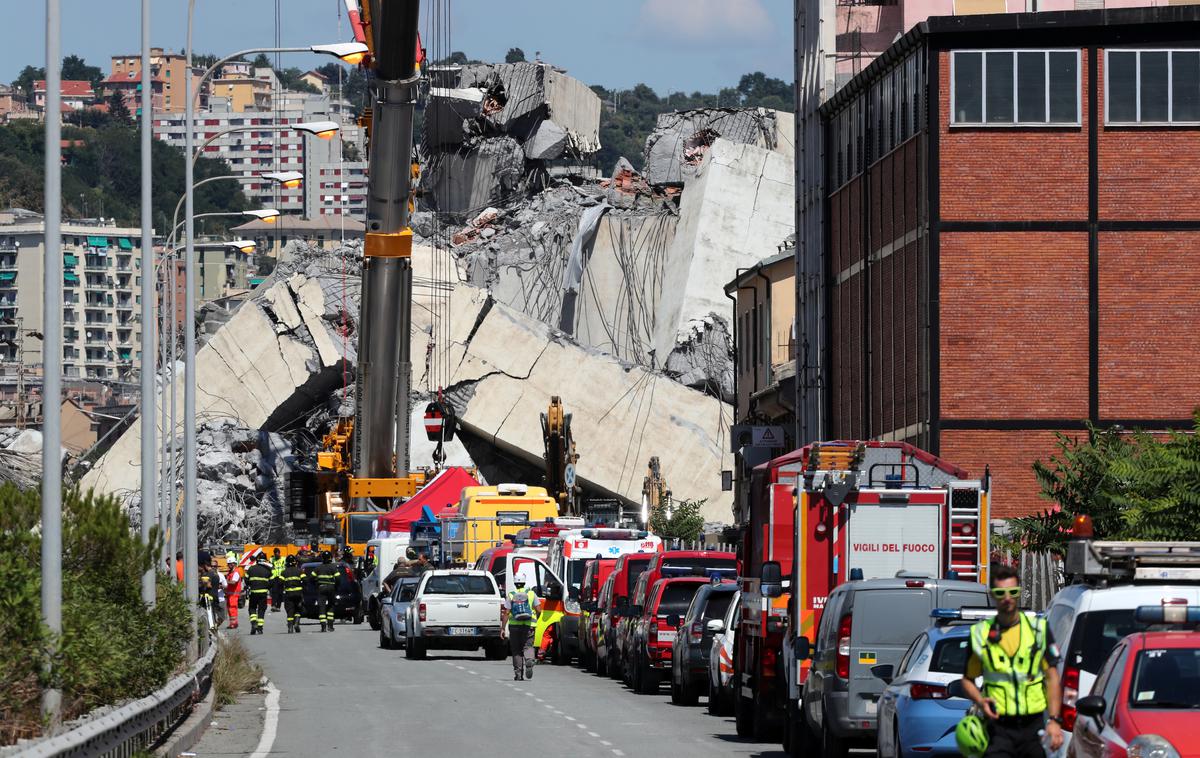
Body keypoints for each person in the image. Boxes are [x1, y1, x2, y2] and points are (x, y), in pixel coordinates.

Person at [959, 563, 1064, 758]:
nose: (1007, 598)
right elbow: (967, 680)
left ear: (1018, 593)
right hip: (998, 728)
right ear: (993, 595)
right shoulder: (980, 634)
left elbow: (1052, 678)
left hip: (1033, 727)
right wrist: (980, 701)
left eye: (1012, 592)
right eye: (1001, 593)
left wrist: (1055, 721)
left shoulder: (1038, 630)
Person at [502, 576, 543, 681]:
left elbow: (506, 613)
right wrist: (535, 620)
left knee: (516, 651)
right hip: (529, 625)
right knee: (528, 646)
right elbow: (539, 609)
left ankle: (518, 675)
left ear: (515, 583)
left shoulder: (511, 595)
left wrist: (502, 628)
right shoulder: (531, 594)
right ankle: (529, 660)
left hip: (514, 626)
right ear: (524, 582)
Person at [244, 552, 274, 635]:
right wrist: (266, 587)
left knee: (252, 608)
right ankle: (260, 628)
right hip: (263, 593)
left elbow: (246, 580)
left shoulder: (251, 569)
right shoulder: (268, 570)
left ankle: (254, 623)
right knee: (261, 609)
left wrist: (251, 585)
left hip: (253, 592)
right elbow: (272, 582)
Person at [314, 550, 342, 632]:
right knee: (331, 606)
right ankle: (330, 626)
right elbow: (338, 578)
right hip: (331, 588)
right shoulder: (333, 567)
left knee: (322, 606)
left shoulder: (318, 568)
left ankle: (323, 626)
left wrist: (316, 584)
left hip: (321, 588)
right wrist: (336, 587)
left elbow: (311, 578)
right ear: (330, 558)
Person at [281, 554, 306, 633]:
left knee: (290, 611)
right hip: (298, 594)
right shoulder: (299, 571)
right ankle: (296, 622)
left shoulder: (284, 572)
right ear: (295, 562)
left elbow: (279, 582)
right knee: (298, 609)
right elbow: (305, 580)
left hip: (288, 594)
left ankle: (290, 628)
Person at [225, 552, 243, 630]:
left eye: (229, 564)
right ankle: (232, 622)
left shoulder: (236, 572)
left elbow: (233, 582)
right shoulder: (231, 572)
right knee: (230, 609)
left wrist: (225, 581)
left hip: (233, 595)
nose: (228, 566)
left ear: (233, 564)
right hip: (230, 594)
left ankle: (234, 623)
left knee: (232, 609)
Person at [270, 548, 286, 613]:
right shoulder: (272, 559)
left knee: (280, 593)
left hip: (281, 578)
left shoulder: (283, 559)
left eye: (278, 553)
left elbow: (285, 568)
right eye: (275, 554)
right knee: (274, 592)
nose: (277, 555)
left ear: (279, 553)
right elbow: (271, 568)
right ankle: (273, 605)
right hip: (274, 578)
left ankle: (278, 607)